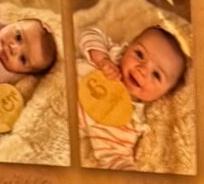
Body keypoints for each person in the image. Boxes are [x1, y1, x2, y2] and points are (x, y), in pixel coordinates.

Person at [75, 19, 188, 168]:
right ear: (129, 47)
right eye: (140, 54)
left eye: (156, 74)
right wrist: (102, 58)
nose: (142, 70)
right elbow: (89, 33)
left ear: (163, 94)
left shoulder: (126, 122)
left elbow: (116, 158)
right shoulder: (114, 55)